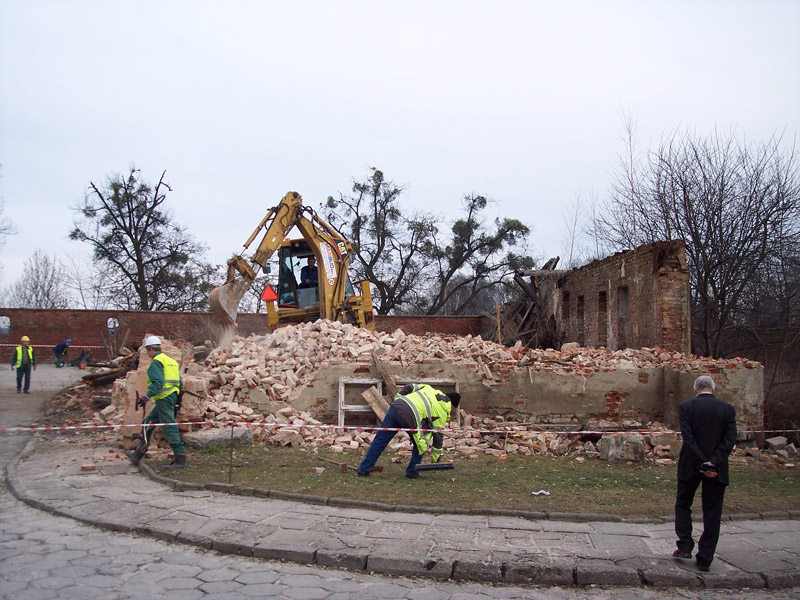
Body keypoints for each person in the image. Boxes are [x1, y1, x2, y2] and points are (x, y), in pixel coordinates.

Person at [673, 375, 737, 572]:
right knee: (712, 512)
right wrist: (713, 463)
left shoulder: (686, 407)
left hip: (691, 465)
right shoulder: (727, 409)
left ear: (695, 390)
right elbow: (729, 440)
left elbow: (688, 438)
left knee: (683, 503)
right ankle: (705, 557)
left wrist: (701, 462)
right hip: (716, 469)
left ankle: (684, 545)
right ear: (713, 389)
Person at [357, 384, 460, 479]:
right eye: (453, 409)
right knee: (421, 444)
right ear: (452, 405)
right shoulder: (442, 410)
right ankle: (412, 471)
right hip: (410, 416)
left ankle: (364, 469)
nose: (451, 412)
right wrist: (436, 458)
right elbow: (438, 436)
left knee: (380, 440)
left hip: (396, 407)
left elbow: (409, 387)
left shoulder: (428, 388)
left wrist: (398, 398)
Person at [125, 336, 187, 469]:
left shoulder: (156, 362)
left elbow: (158, 383)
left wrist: (147, 396)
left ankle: (180, 458)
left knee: (169, 426)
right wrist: (178, 400)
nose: (148, 354)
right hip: (171, 396)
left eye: (148, 351)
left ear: (151, 349)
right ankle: (138, 454)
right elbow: (180, 383)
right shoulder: (171, 361)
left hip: (164, 397)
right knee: (148, 423)